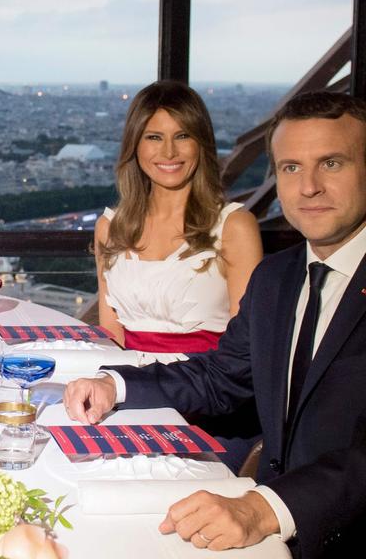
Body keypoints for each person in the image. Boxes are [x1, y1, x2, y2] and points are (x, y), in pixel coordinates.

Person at [64, 91, 366, 558]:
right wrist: (118, 386)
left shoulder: (241, 237)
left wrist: (264, 507)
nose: (308, 187)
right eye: (290, 168)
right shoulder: (279, 278)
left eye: (331, 164)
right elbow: (223, 376)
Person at [96, 81, 263, 353]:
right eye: (154, 137)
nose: (169, 152)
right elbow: (110, 334)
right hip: (124, 386)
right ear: (134, 145)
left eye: (183, 136)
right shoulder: (110, 228)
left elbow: (244, 346)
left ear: (202, 143)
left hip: (205, 387)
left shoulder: (234, 226)